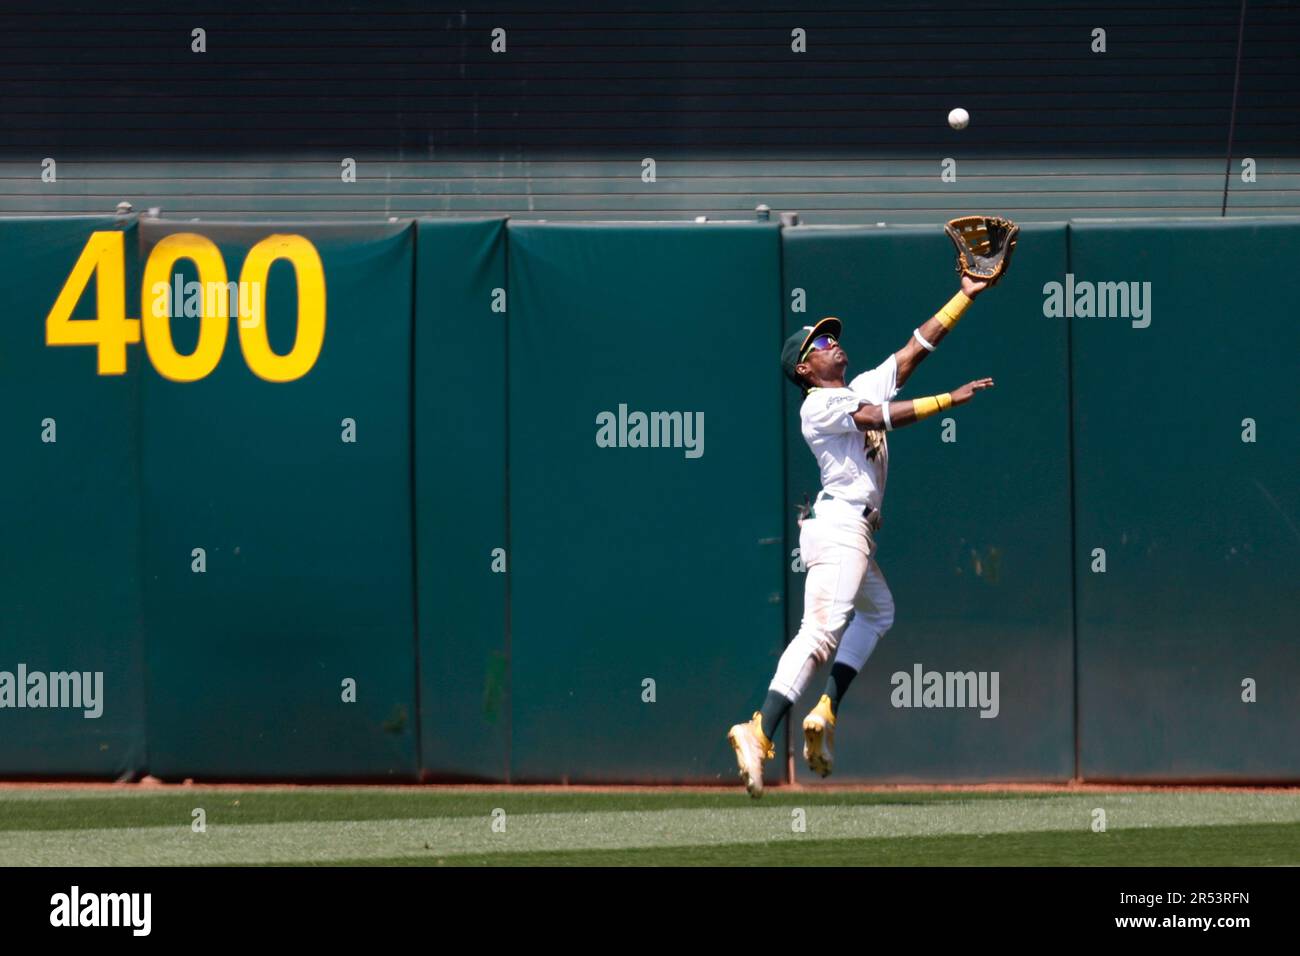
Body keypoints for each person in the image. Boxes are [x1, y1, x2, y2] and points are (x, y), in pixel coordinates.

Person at [727, 275, 995, 797]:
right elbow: (877, 417)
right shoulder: (817, 406)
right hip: (841, 527)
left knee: (878, 612)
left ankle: (824, 711)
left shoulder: (856, 387)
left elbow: (916, 348)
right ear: (805, 368)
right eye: (821, 342)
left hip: (854, 530)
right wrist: (948, 400)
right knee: (820, 633)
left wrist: (966, 294)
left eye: (831, 336)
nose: (833, 342)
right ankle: (758, 729)